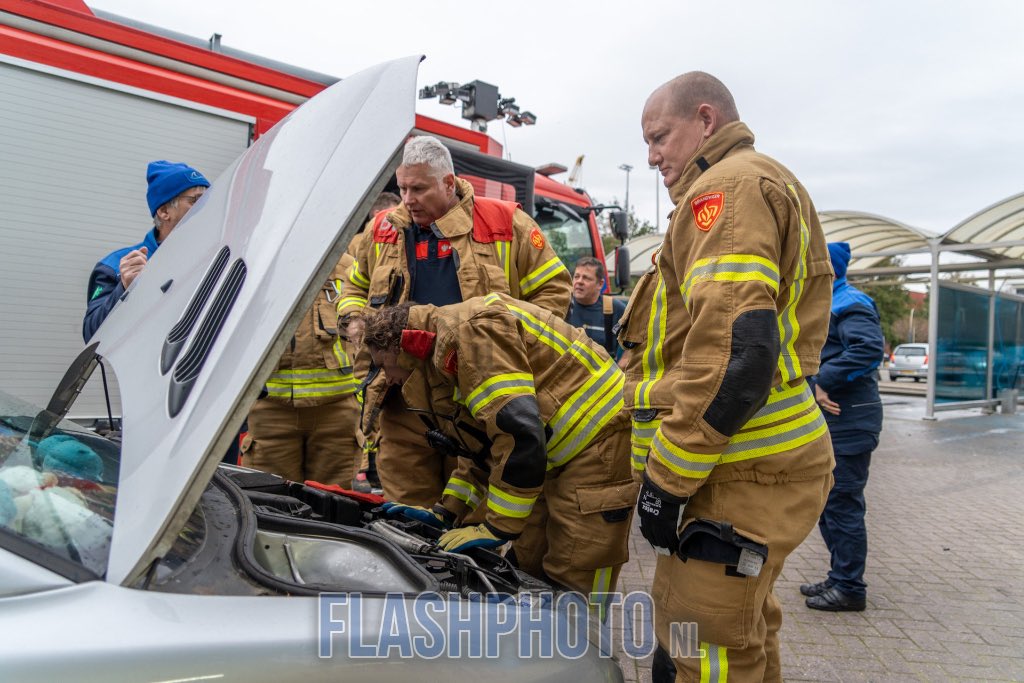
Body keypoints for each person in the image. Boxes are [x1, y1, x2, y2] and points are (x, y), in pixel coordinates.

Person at [619, 72, 835, 681]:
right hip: (750, 467)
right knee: (743, 634)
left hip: (739, 470)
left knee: (704, 649)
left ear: (706, 120)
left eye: (660, 136)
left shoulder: (727, 192)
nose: (652, 156)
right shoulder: (746, 183)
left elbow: (738, 353)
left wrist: (667, 480)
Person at [338, 136, 571, 507]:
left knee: (471, 512)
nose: (408, 199)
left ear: (449, 183)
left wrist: (512, 349)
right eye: (401, 188)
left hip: (476, 400)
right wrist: (353, 321)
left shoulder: (505, 222)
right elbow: (355, 285)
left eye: (418, 188)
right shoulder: (382, 228)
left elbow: (554, 292)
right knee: (406, 513)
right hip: (403, 400)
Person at [361, 294, 635, 607]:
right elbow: (484, 448)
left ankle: (583, 649)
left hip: (599, 443)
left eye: (384, 365)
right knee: (527, 562)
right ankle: (537, 648)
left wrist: (497, 526)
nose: (389, 378)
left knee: (575, 569)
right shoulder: (438, 353)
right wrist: (447, 511)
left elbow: (518, 433)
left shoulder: (469, 333)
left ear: (401, 346)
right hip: (552, 453)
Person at [802, 242, 884, 612]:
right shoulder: (827, 301)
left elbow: (868, 349)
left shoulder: (851, 301)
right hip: (836, 419)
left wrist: (824, 381)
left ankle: (850, 587)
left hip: (849, 419)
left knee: (843, 504)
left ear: (827, 268)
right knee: (828, 502)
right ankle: (839, 576)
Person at [82, 160, 209, 341]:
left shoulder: (218, 253)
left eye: (208, 197)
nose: (205, 205)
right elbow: (91, 335)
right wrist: (124, 289)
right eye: (195, 200)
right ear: (164, 211)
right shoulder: (115, 267)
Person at [567, 256, 626, 361]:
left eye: (586, 278)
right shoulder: (563, 304)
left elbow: (639, 338)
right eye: (576, 277)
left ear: (600, 284)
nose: (579, 281)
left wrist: (624, 361)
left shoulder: (614, 309)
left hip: (602, 376)